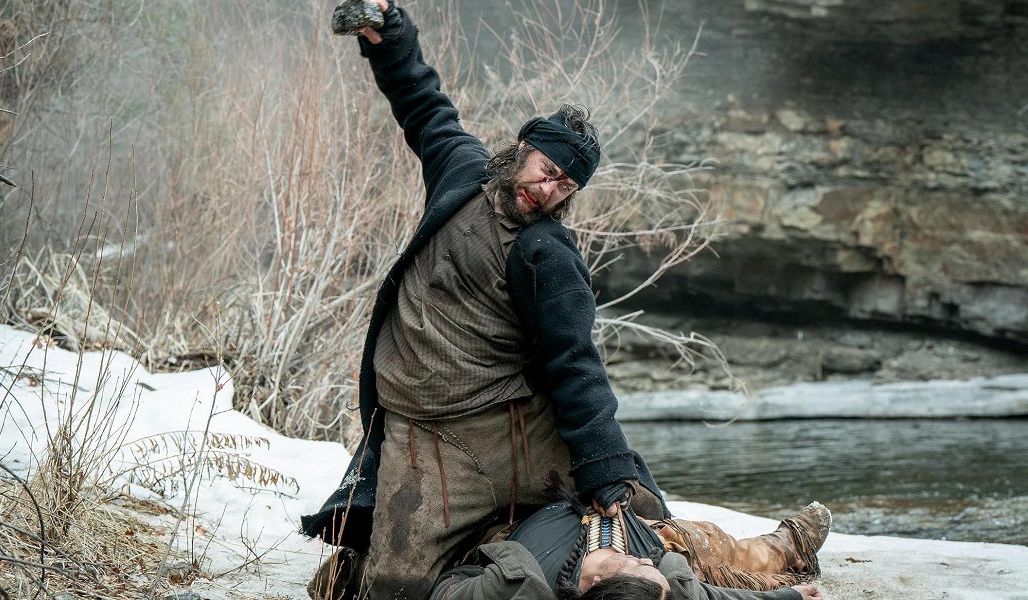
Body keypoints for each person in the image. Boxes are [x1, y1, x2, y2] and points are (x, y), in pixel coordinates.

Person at [300, 1, 670, 598]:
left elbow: (575, 362)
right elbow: (423, 105)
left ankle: (770, 553)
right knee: (393, 587)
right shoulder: (461, 173)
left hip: (509, 427)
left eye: (565, 185)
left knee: (642, 524)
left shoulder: (547, 254)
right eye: (546, 168)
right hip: (422, 432)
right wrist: (389, 33)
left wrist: (604, 469)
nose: (548, 189)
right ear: (523, 148)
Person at [428, 500, 831, 600]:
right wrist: (790, 596)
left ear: (599, 583)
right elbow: (711, 598)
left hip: (537, 516)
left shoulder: (519, 584)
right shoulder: (661, 587)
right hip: (656, 535)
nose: (642, 561)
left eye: (638, 566)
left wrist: (498, 581)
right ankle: (789, 547)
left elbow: (447, 588)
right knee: (710, 549)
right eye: (645, 566)